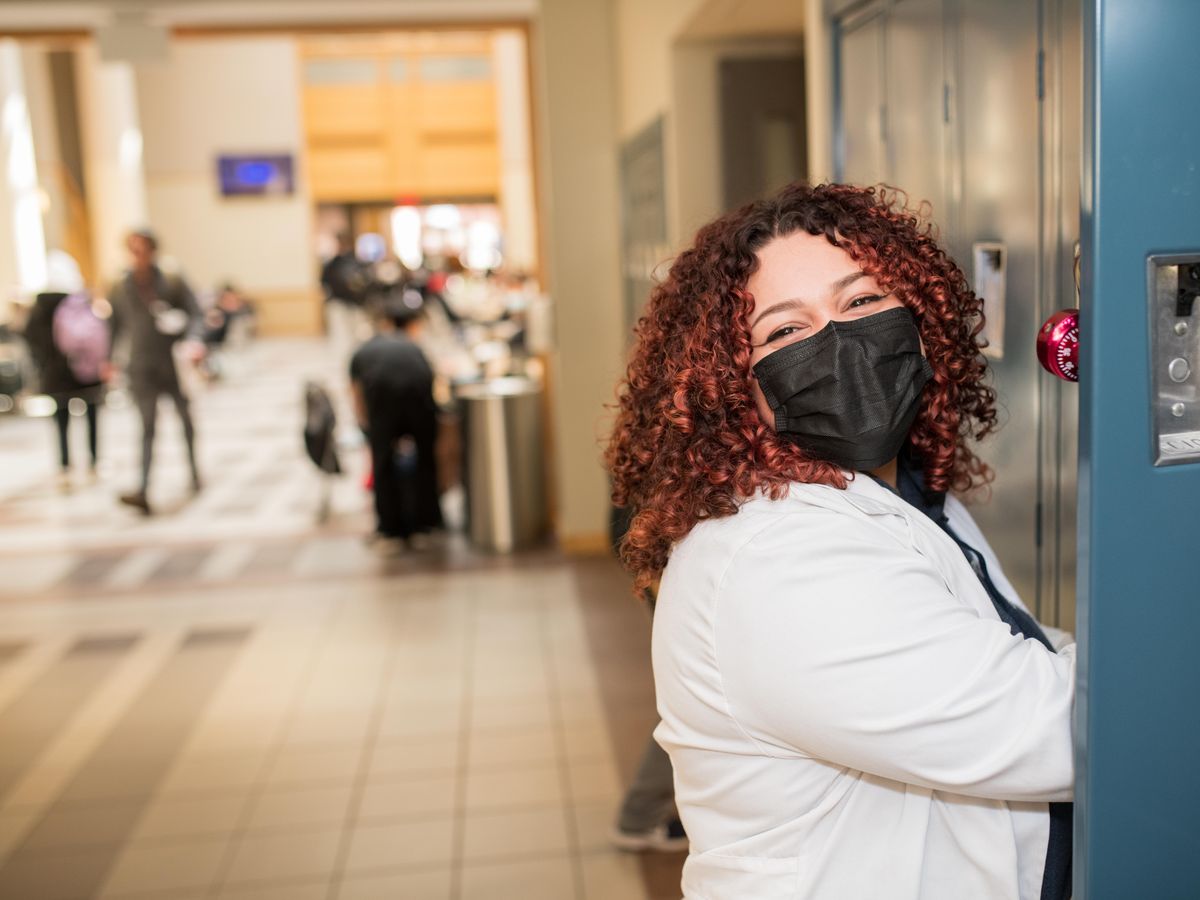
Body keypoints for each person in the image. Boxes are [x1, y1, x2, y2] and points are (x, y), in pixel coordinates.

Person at [605, 182, 1075, 900]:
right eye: (785, 332)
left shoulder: (900, 492)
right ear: (733, 385)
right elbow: (1050, 729)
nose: (840, 342)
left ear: (919, 317)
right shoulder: (776, 564)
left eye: (861, 302)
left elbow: (1020, 654)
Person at [108, 229, 204, 515]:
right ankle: (144, 487)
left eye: (143, 249)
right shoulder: (120, 286)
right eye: (133, 250)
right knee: (147, 426)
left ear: (153, 251)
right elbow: (114, 326)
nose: (138, 256)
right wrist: (109, 359)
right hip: (141, 367)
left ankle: (195, 473)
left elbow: (195, 312)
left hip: (171, 362)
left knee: (185, 419)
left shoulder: (172, 280)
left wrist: (192, 339)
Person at [349, 297, 443, 547]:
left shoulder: (363, 349)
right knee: (425, 460)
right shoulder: (413, 346)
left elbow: (356, 394)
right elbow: (430, 379)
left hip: (382, 405)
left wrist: (366, 428)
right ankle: (427, 524)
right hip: (419, 403)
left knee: (383, 465)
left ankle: (390, 531)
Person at [23, 251, 108, 488]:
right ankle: (94, 461)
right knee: (91, 415)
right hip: (84, 369)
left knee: (61, 421)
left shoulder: (40, 307)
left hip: (55, 374)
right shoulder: (79, 300)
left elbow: (30, 337)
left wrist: (44, 362)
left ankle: (64, 466)